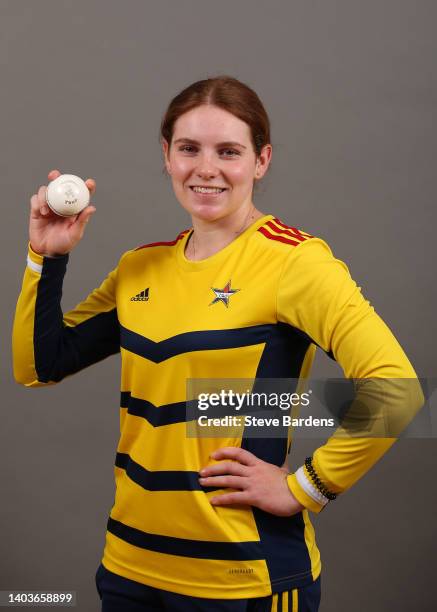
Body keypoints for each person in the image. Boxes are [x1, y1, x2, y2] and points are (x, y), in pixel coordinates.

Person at [13, 76, 423, 612]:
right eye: (188, 149)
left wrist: (307, 487)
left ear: (261, 160)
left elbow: (397, 391)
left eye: (228, 151)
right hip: (127, 567)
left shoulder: (294, 263)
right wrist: (46, 256)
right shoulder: (143, 266)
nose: (205, 168)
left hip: (241, 579)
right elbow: (38, 364)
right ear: (167, 155)